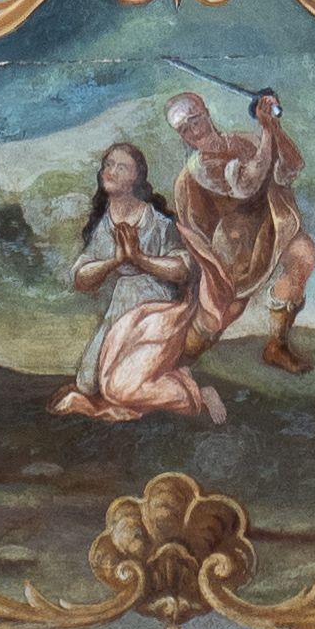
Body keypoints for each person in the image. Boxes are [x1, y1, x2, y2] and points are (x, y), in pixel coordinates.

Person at [56, 141, 234, 426]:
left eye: (121, 167)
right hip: (121, 311)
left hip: (157, 312)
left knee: (119, 388)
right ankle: (169, 376)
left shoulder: (157, 222)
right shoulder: (104, 225)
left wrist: (141, 259)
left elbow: (183, 269)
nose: (111, 171)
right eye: (108, 165)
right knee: (88, 383)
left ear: (136, 177)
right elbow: (81, 277)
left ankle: (197, 394)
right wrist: (114, 261)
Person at [164, 88, 315, 372]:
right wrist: (267, 131)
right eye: (185, 129)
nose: (193, 130)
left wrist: (274, 127)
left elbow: (291, 168)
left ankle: (277, 345)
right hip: (234, 249)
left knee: (303, 254)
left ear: (206, 114)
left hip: (270, 228)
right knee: (221, 316)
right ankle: (177, 364)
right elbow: (247, 183)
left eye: (195, 120)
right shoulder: (200, 165)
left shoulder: (243, 141)